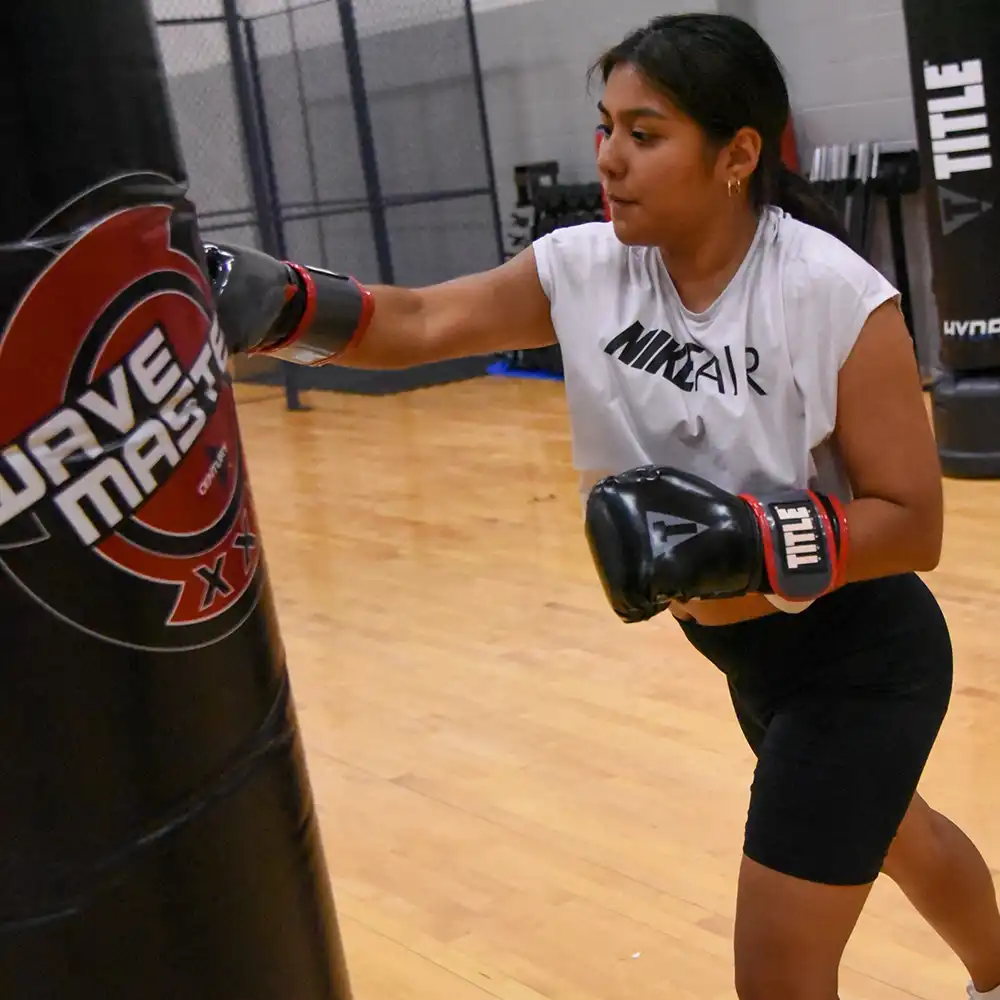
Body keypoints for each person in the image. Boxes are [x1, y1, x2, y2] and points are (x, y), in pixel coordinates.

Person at [206, 13, 1000, 999]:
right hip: (754, 660)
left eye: (645, 133)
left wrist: (749, 538)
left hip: (860, 660)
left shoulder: (830, 294)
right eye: (606, 127)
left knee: (778, 972)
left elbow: (914, 523)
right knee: (899, 834)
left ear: (737, 155)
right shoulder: (585, 269)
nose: (610, 158)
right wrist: (281, 306)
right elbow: (420, 320)